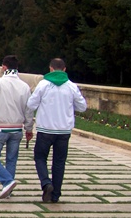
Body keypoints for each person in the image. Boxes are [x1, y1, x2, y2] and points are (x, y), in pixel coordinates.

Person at [27, 58, 87, 203]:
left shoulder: (43, 85)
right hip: (64, 131)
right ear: (64, 69)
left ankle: (46, 183)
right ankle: (56, 195)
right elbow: (82, 107)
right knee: (59, 162)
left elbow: (31, 104)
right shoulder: (71, 86)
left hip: (45, 129)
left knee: (40, 158)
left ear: (50, 69)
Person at [0, 55, 34, 199]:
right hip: (17, 128)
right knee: (11, 159)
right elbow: (29, 110)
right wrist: (29, 128)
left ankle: (7, 181)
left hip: (0, 127)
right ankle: (8, 189)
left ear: (4, 67)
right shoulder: (24, 86)